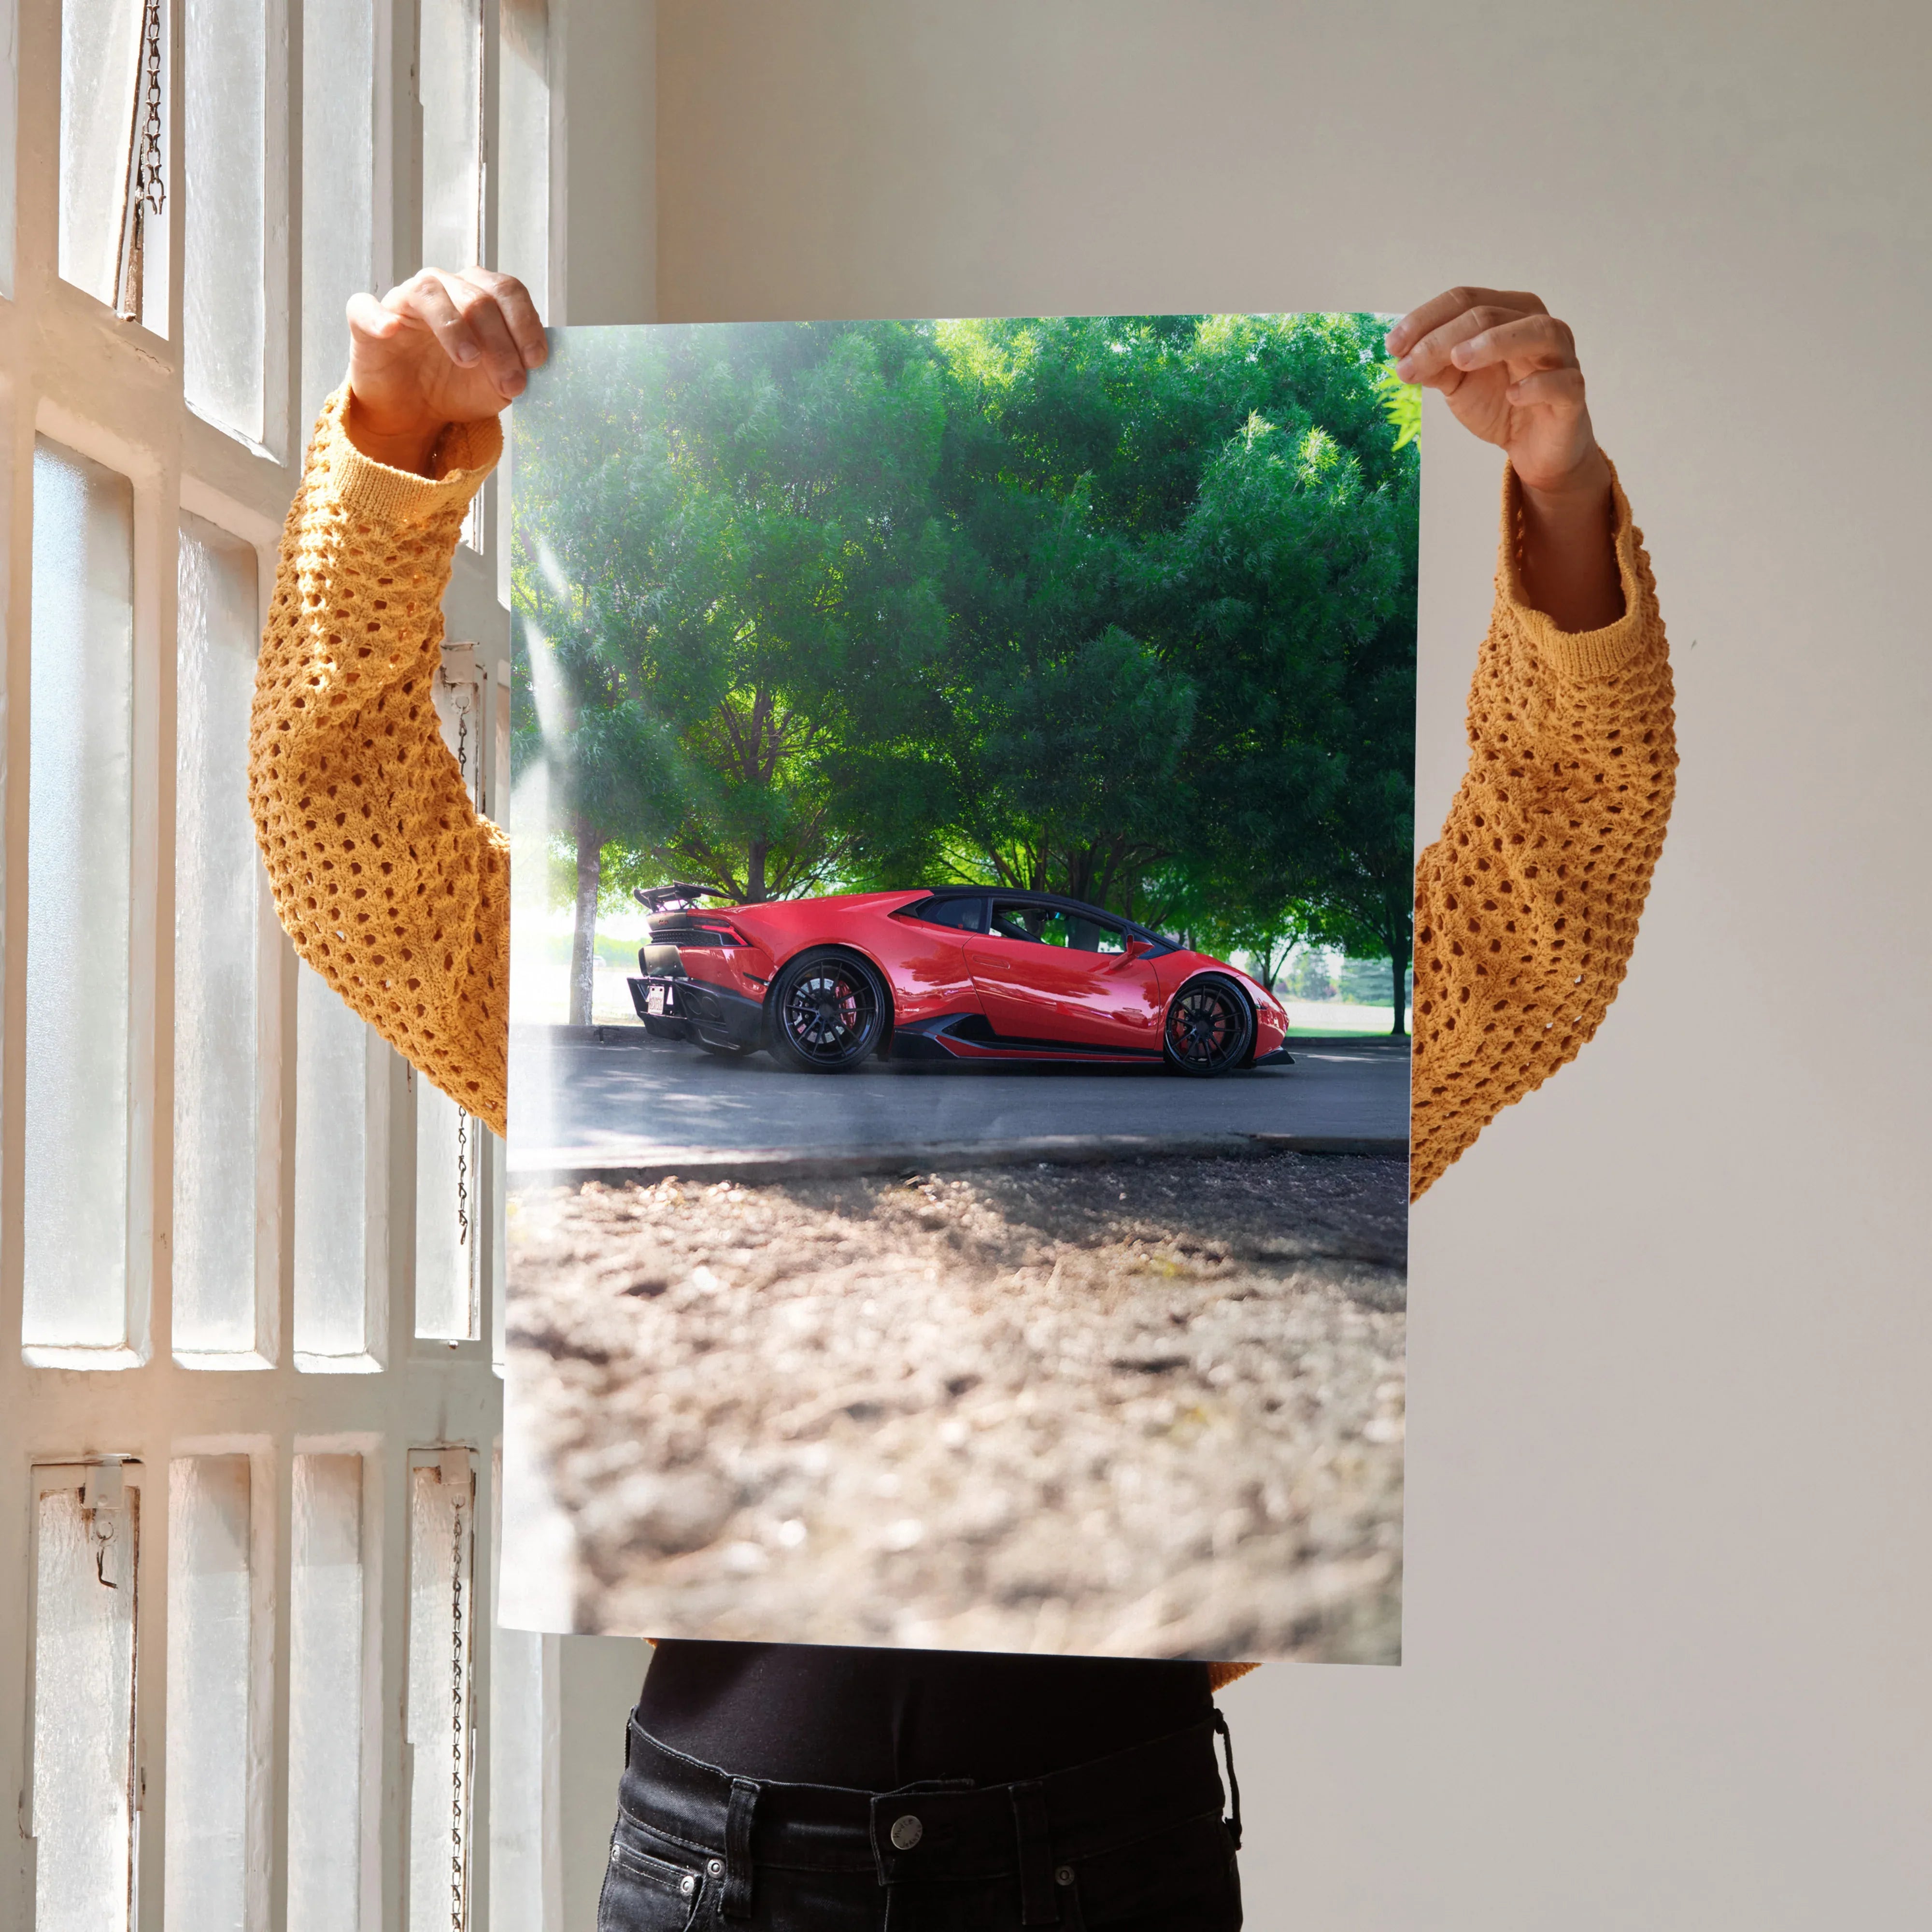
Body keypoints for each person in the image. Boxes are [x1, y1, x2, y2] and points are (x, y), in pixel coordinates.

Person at [250, 272, 1674, 1930]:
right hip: (726, 1867)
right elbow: (350, 848)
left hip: (1103, 1855)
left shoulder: (1260, 1088)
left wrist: (1560, 496)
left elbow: (1545, 909)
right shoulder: (663, 1078)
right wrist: (392, 447)